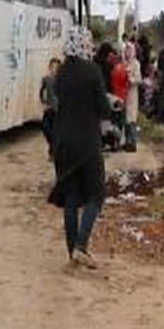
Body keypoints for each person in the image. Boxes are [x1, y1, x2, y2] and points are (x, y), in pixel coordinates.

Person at [49, 27, 110, 269]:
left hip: (62, 142)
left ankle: (71, 251)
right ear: (85, 44)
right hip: (87, 142)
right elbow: (103, 108)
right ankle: (81, 246)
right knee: (96, 193)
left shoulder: (61, 72)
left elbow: (58, 102)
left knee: (71, 198)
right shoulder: (92, 71)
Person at [40, 57, 61, 159]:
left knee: (55, 132)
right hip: (48, 109)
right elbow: (41, 92)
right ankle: (52, 147)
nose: (54, 70)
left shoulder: (61, 81)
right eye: (53, 67)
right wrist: (43, 102)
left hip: (58, 110)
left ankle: (53, 152)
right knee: (46, 129)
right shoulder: (46, 79)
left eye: (57, 68)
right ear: (49, 68)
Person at [123, 42, 142, 152]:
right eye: (126, 50)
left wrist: (131, 79)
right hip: (123, 94)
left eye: (129, 50)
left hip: (132, 94)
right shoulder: (124, 63)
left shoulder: (136, 64)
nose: (127, 52)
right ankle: (127, 142)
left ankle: (133, 143)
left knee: (131, 119)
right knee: (125, 120)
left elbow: (139, 79)